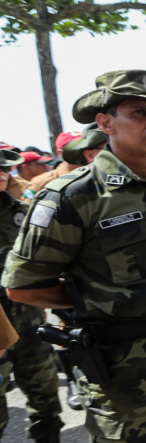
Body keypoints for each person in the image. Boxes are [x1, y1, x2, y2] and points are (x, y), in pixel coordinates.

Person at [3, 70, 146, 443]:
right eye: (140, 113)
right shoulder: (74, 196)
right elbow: (22, 288)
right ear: (105, 123)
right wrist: (97, 300)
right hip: (124, 367)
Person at [0, 149, 63, 443]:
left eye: (5, 170)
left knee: (45, 391)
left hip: (27, 318)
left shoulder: (20, 212)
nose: (3, 175)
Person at [24, 125, 107, 202]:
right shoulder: (41, 183)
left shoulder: (101, 174)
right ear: (61, 153)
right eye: (75, 147)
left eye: (85, 145)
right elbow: (28, 210)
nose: (82, 150)